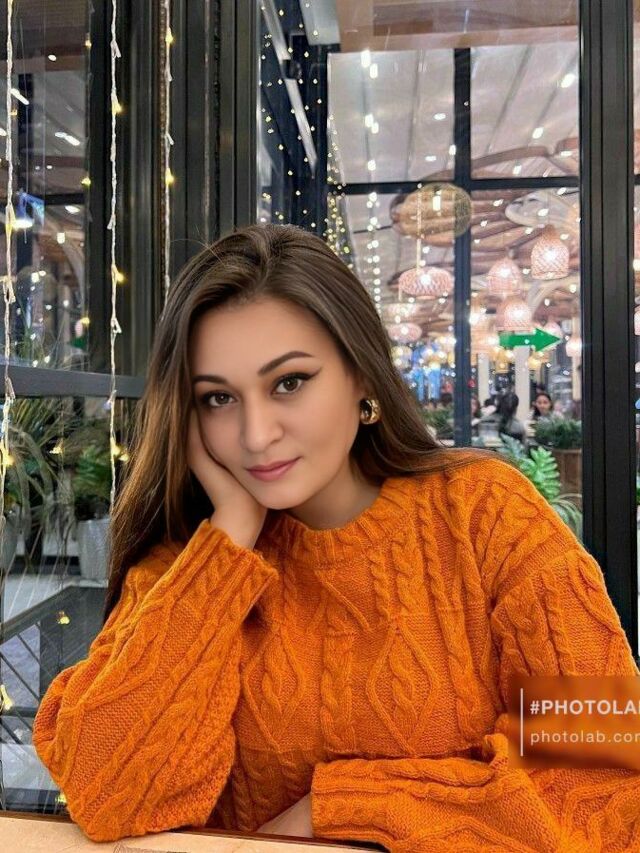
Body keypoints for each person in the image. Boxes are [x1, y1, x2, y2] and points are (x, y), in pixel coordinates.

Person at [32, 224, 640, 849]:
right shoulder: (186, 566)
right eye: (217, 399)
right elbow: (110, 798)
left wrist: (340, 810)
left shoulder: (485, 514)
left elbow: (603, 790)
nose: (256, 435)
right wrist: (228, 542)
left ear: (362, 376)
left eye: (289, 382)